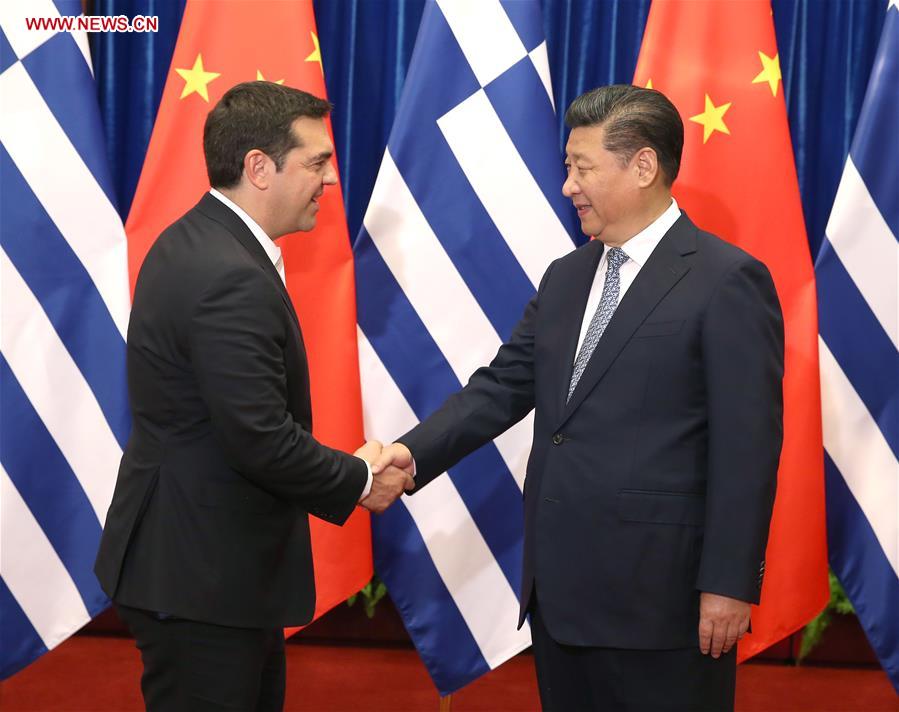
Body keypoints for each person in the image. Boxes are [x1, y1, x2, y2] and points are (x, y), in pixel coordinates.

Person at [372, 85, 783, 711]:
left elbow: (747, 450)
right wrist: (408, 454)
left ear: (642, 166)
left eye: (581, 167)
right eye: (569, 167)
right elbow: (502, 386)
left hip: (662, 604)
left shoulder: (727, 280)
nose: (568, 185)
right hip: (561, 598)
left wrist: (727, 584)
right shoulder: (566, 277)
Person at [94, 82, 411, 712]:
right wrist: (359, 476)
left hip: (207, 569)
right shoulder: (227, 273)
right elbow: (258, 437)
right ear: (259, 168)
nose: (330, 180)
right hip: (201, 578)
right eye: (317, 162)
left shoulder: (205, 241)